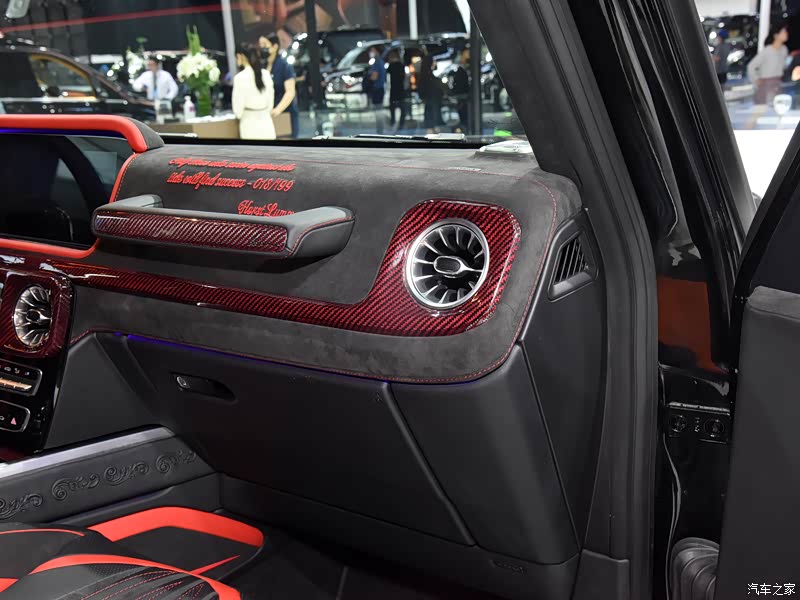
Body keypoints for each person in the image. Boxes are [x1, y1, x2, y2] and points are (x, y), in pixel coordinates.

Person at [259, 34, 299, 138]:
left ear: (275, 46)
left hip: (285, 114)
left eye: (264, 45)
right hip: (268, 116)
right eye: (260, 45)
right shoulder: (262, 67)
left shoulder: (284, 66)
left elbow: (290, 92)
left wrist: (278, 109)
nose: (262, 48)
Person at [232, 45, 276, 140]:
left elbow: (238, 112)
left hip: (249, 125)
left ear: (240, 56)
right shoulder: (266, 74)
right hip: (267, 124)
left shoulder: (239, 78)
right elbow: (270, 104)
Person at [747, 24, 790, 105]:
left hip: (778, 84)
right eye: (783, 32)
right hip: (766, 85)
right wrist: (756, 80)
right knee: (765, 108)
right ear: (776, 35)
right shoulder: (768, 50)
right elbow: (751, 66)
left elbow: (784, 66)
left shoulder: (784, 49)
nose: (786, 33)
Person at [418, 54, 446, 133]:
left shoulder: (425, 77)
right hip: (433, 106)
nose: (435, 63)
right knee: (433, 129)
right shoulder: (431, 79)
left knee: (431, 128)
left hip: (430, 106)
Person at [451, 47, 471, 132]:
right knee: (464, 117)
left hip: (464, 97)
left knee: (465, 117)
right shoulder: (461, 70)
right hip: (462, 97)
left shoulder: (465, 70)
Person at [387, 50, 407, 132]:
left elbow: (388, 76)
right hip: (401, 89)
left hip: (393, 90)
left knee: (392, 108)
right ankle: (401, 124)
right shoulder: (402, 65)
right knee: (402, 108)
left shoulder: (391, 66)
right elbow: (404, 77)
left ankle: (393, 122)